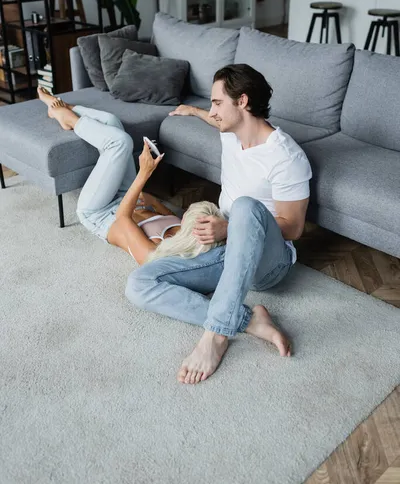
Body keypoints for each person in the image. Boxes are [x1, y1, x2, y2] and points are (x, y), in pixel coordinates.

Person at [125, 63, 312, 386]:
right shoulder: (231, 133)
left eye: (216, 102)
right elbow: (213, 118)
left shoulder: (286, 158)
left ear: (242, 102)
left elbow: (293, 228)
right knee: (139, 284)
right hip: (227, 250)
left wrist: (231, 227)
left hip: (269, 264)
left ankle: (216, 335)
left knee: (245, 207)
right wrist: (191, 111)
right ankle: (250, 321)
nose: (212, 111)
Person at [37, 87, 224, 265]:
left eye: (188, 217)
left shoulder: (154, 254)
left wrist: (143, 174)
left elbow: (122, 219)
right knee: (113, 122)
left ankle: (68, 118)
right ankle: (66, 109)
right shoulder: (181, 230)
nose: (183, 216)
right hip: (126, 198)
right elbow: (160, 208)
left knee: (119, 143)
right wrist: (145, 198)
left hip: (99, 213)